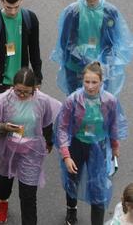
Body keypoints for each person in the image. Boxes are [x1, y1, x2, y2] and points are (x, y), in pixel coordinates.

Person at [54, 62, 128, 225]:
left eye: (94, 82)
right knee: (73, 178)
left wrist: (115, 147)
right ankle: (71, 209)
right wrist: (66, 156)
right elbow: (62, 128)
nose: (90, 86)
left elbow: (113, 125)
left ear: (102, 82)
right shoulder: (72, 100)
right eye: (87, 82)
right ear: (82, 81)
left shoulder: (110, 101)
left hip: (99, 147)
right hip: (77, 145)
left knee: (98, 187)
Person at [0, 68, 61, 225]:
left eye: (26, 92)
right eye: (18, 91)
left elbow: (47, 123)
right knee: (5, 181)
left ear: (34, 88)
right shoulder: (3, 100)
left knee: (28, 195)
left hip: (31, 152)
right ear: (12, 86)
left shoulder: (42, 101)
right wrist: (5, 127)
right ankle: (3, 201)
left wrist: (49, 141)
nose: (21, 95)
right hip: (7, 148)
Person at [52, 0, 133, 96]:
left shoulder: (109, 12)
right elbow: (66, 44)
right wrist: (85, 62)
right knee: (76, 106)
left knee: (99, 106)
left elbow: (112, 44)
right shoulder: (73, 12)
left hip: (100, 70)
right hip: (76, 69)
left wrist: (100, 64)